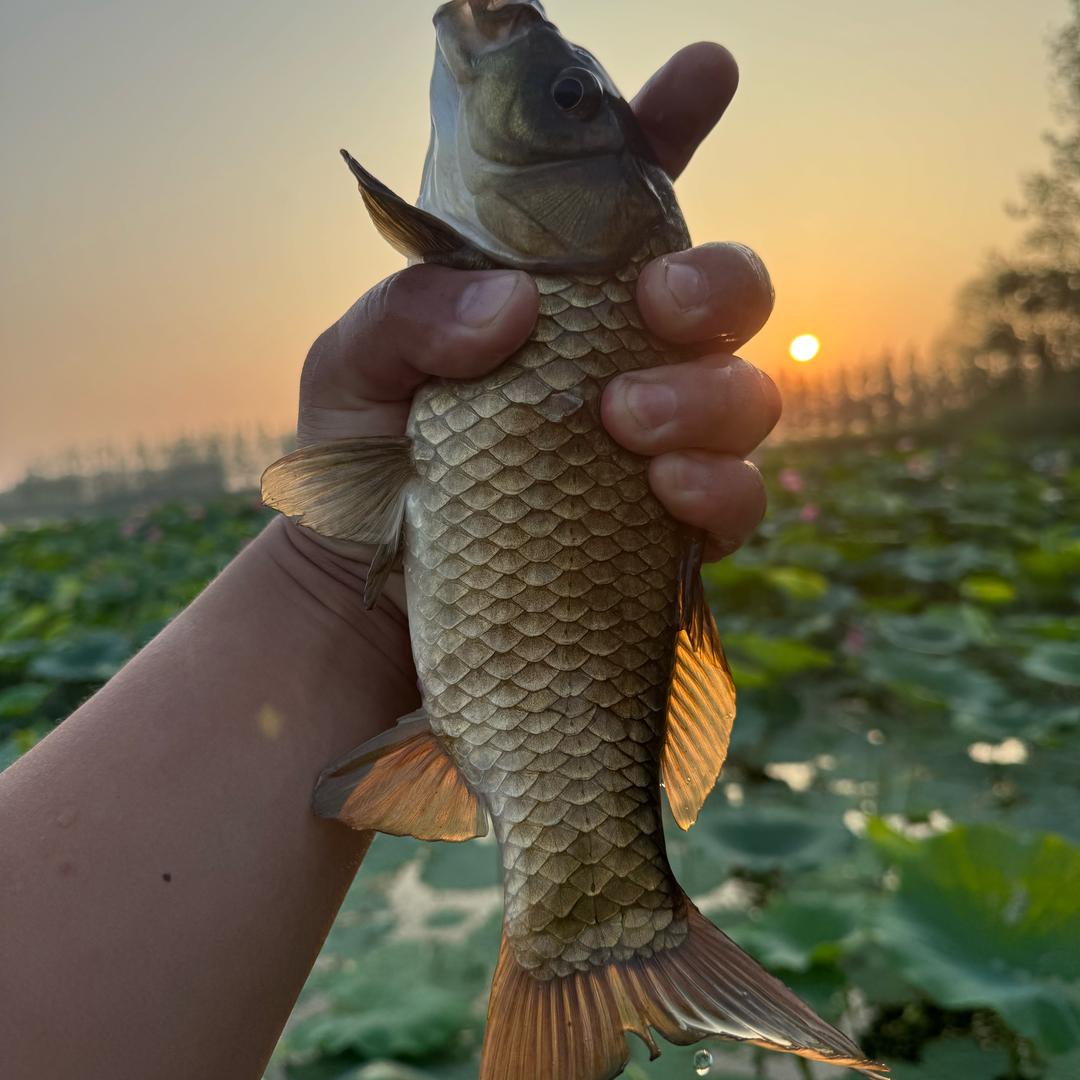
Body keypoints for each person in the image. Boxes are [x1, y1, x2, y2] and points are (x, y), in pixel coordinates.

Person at [0, 43, 781, 1080]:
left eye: (567, 97)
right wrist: (333, 582)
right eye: (570, 96)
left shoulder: (523, 243)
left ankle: (596, 936)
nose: (514, 47)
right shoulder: (520, 236)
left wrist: (339, 600)